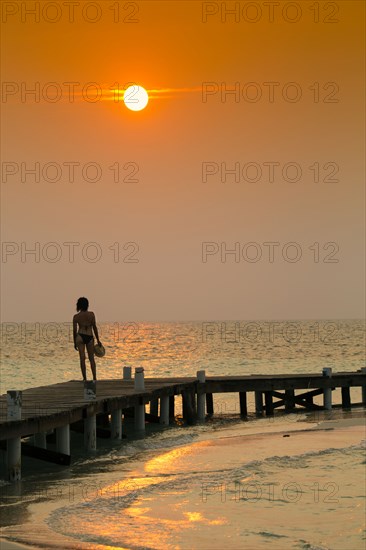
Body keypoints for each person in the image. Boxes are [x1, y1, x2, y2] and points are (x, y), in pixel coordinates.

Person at [73, 297, 101, 381]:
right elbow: (94, 327)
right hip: (89, 336)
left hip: (80, 336)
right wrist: (98, 339)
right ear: (87, 305)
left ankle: (84, 378)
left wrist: (75, 342)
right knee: (91, 358)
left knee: (82, 358)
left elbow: (74, 331)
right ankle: (94, 378)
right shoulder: (91, 314)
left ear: (79, 305)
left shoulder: (76, 316)